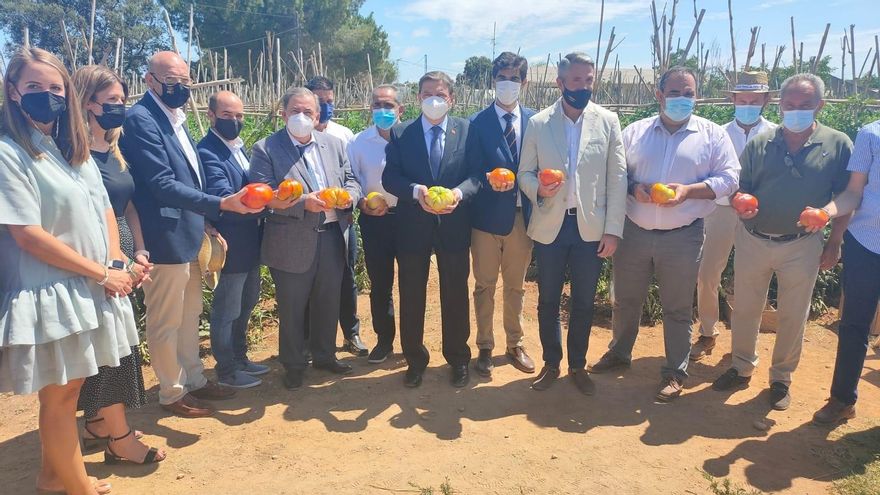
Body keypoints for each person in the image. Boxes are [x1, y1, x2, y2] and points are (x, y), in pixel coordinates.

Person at [0, 47, 138, 494]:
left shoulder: (68, 150)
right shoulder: (9, 153)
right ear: (13, 92)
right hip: (52, 288)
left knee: (67, 393)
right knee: (60, 397)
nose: (47, 95)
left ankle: (52, 480)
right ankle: (76, 487)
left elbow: (104, 211)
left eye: (56, 87)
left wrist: (115, 260)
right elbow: (28, 235)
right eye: (35, 87)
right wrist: (101, 273)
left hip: (88, 284)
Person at [120, 51, 260, 418]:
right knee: (166, 320)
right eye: (172, 81)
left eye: (185, 81)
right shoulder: (141, 120)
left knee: (190, 314)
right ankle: (172, 391)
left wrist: (207, 220)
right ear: (149, 80)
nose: (180, 88)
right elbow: (162, 184)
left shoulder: (176, 119)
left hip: (190, 233)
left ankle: (195, 380)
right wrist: (221, 204)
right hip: (163, 235)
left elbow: (188, 178)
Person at [590, 66, 740, 402]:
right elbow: (614, 175)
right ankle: (619, 352)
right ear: (659, 96)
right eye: (675, 93)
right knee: (626, 300)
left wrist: (690, 191)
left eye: (689, 93)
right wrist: (635, 188)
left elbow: (730, 180)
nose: (682, 99)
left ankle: (675, 370)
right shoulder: (635, 133)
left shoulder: (712, 135)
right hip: (634, 231)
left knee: (677, 307)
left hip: (683, 235)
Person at [711, 74, 852, 411]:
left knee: (793, 313)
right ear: (780, 105)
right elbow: (739, 187)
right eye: (790, 105)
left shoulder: (837, 144)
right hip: (754, 238)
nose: (797, 110)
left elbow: (848, 195)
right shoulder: (762, 143)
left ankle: (781, 378)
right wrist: (741, 202)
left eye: (806, 105)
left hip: (802, 243)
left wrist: (834, 239)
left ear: (821, 105)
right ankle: (741, 365)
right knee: (745, 307)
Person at [72, 64, 166, 465]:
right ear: (85, 102)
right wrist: (117, 261)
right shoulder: (71, 155)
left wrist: (140, 251)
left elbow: (127, 205)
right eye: (110, 101)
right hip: (96, 262)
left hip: (125, 258)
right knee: (110, 349)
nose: (118, 108)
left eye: (121, 100)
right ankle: (120, 438)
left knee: (116, 345)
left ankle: (98, 420)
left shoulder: (112, 149)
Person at [518, 52, 627, 394]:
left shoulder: (607, 121)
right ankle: (552, 363)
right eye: (576, 80)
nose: (583, 87)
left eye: (589, 80)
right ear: (560, 83)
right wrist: (539, 187)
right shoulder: (539, 123)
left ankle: (578, 365)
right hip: (552, 223)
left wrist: (613, 229)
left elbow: (617, 177)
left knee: (583, 300)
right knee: (548, 299)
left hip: (590, 227)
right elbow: (524, 172)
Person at [249, 87, 362, 390]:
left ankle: (325, 356)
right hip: (291, 240)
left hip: (332, 236)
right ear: (283, 113)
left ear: (317, 115)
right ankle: (294, 363)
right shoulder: (267, 148)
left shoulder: (334, 144)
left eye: (308, 112)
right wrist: (302, 204)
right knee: (292, 306)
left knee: (328, 301)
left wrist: (348, 198)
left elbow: (351, 179)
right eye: (295, 111)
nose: (302, 117)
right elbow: (264, 194)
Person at [382, 71, 478, 388]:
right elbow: (390, 178)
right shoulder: (401, 133)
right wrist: (414, 191)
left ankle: (458, 358)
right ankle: (415, 359)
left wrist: (459, 194)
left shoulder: (466, 130)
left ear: (451, 98)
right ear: (418, 98)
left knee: (455, 293)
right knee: (411, 293)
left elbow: (476, 176)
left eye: (439, 94)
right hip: (413, 225)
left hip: (454, 224)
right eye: (426, 94)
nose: (433, 100)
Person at [692, 71, 778, 361]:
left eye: (755, 100)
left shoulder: (776, 134)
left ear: (766, 100)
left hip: (758, 214)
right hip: (721, 211)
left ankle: (745, 345)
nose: (748, 104)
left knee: (753, 281)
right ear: (733, 100)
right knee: (706, 275)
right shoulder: (718, 133)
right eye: (743, 100)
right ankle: (707, 331)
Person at [467, 52, 538, 377]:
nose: (507, 83)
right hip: (485, 220)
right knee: (484, 285)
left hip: (522, 219)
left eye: (514, 78)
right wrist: (488, 180)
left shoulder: (536, 122)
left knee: (516, 286)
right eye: (501, 78)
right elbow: (468, 170)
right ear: (493, 81)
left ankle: (515, 343)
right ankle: (484, 345)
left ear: (524, 82)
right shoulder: (476, 124)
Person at [199, 90, 270, 388]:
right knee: (227, 309)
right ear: (211, 115)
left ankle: (240, 358)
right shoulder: (208, 151)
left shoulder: (237, 148)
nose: (235, 121)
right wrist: (265, 198)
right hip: (230, 241)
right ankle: (226, 371)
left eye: (239, 116)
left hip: (250, 239)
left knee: (248, 301)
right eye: (227, 115)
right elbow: (220, 193)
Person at [812, 118, 880, 424]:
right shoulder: (871, 133)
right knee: (854, 324)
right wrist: (827, 212)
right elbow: (854, 191)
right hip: (866, 241)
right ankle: (842, 399)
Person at [305, 76, 366, 357]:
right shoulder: (293, 135)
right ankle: (308, 342)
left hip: (341, 224)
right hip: (306, 226)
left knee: (345, 279)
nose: (325, 107)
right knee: (307, 284)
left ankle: (350, 334)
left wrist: (349, 202)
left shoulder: (343, 135)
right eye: (320, 101)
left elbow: (353, 178)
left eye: (329, 101)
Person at [348, 84, 404, 363]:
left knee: (411, 283)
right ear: (370, 109)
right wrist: (360, 204)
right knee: (380, 283)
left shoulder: (411, 139)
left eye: (389, 105)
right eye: (377, 105)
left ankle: (412, 341)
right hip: (374, 222)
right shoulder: (358, 143)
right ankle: (384, 340)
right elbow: (353, 182)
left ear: (400, 109)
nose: (383, 110)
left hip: (408, 218)